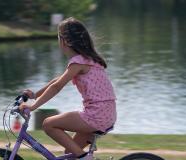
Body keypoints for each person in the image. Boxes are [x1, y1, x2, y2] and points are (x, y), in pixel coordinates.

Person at [19, 17, 116, 160]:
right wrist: (35, 95)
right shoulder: (88, 59)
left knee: (48, 124)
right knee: (69, 155)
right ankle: (82, 157)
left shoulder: (78, 62)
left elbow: (57, 87)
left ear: (64, 41)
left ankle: (84, 158)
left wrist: (32, 107)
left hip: (96, 115)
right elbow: (57, 81)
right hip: (107, 114)